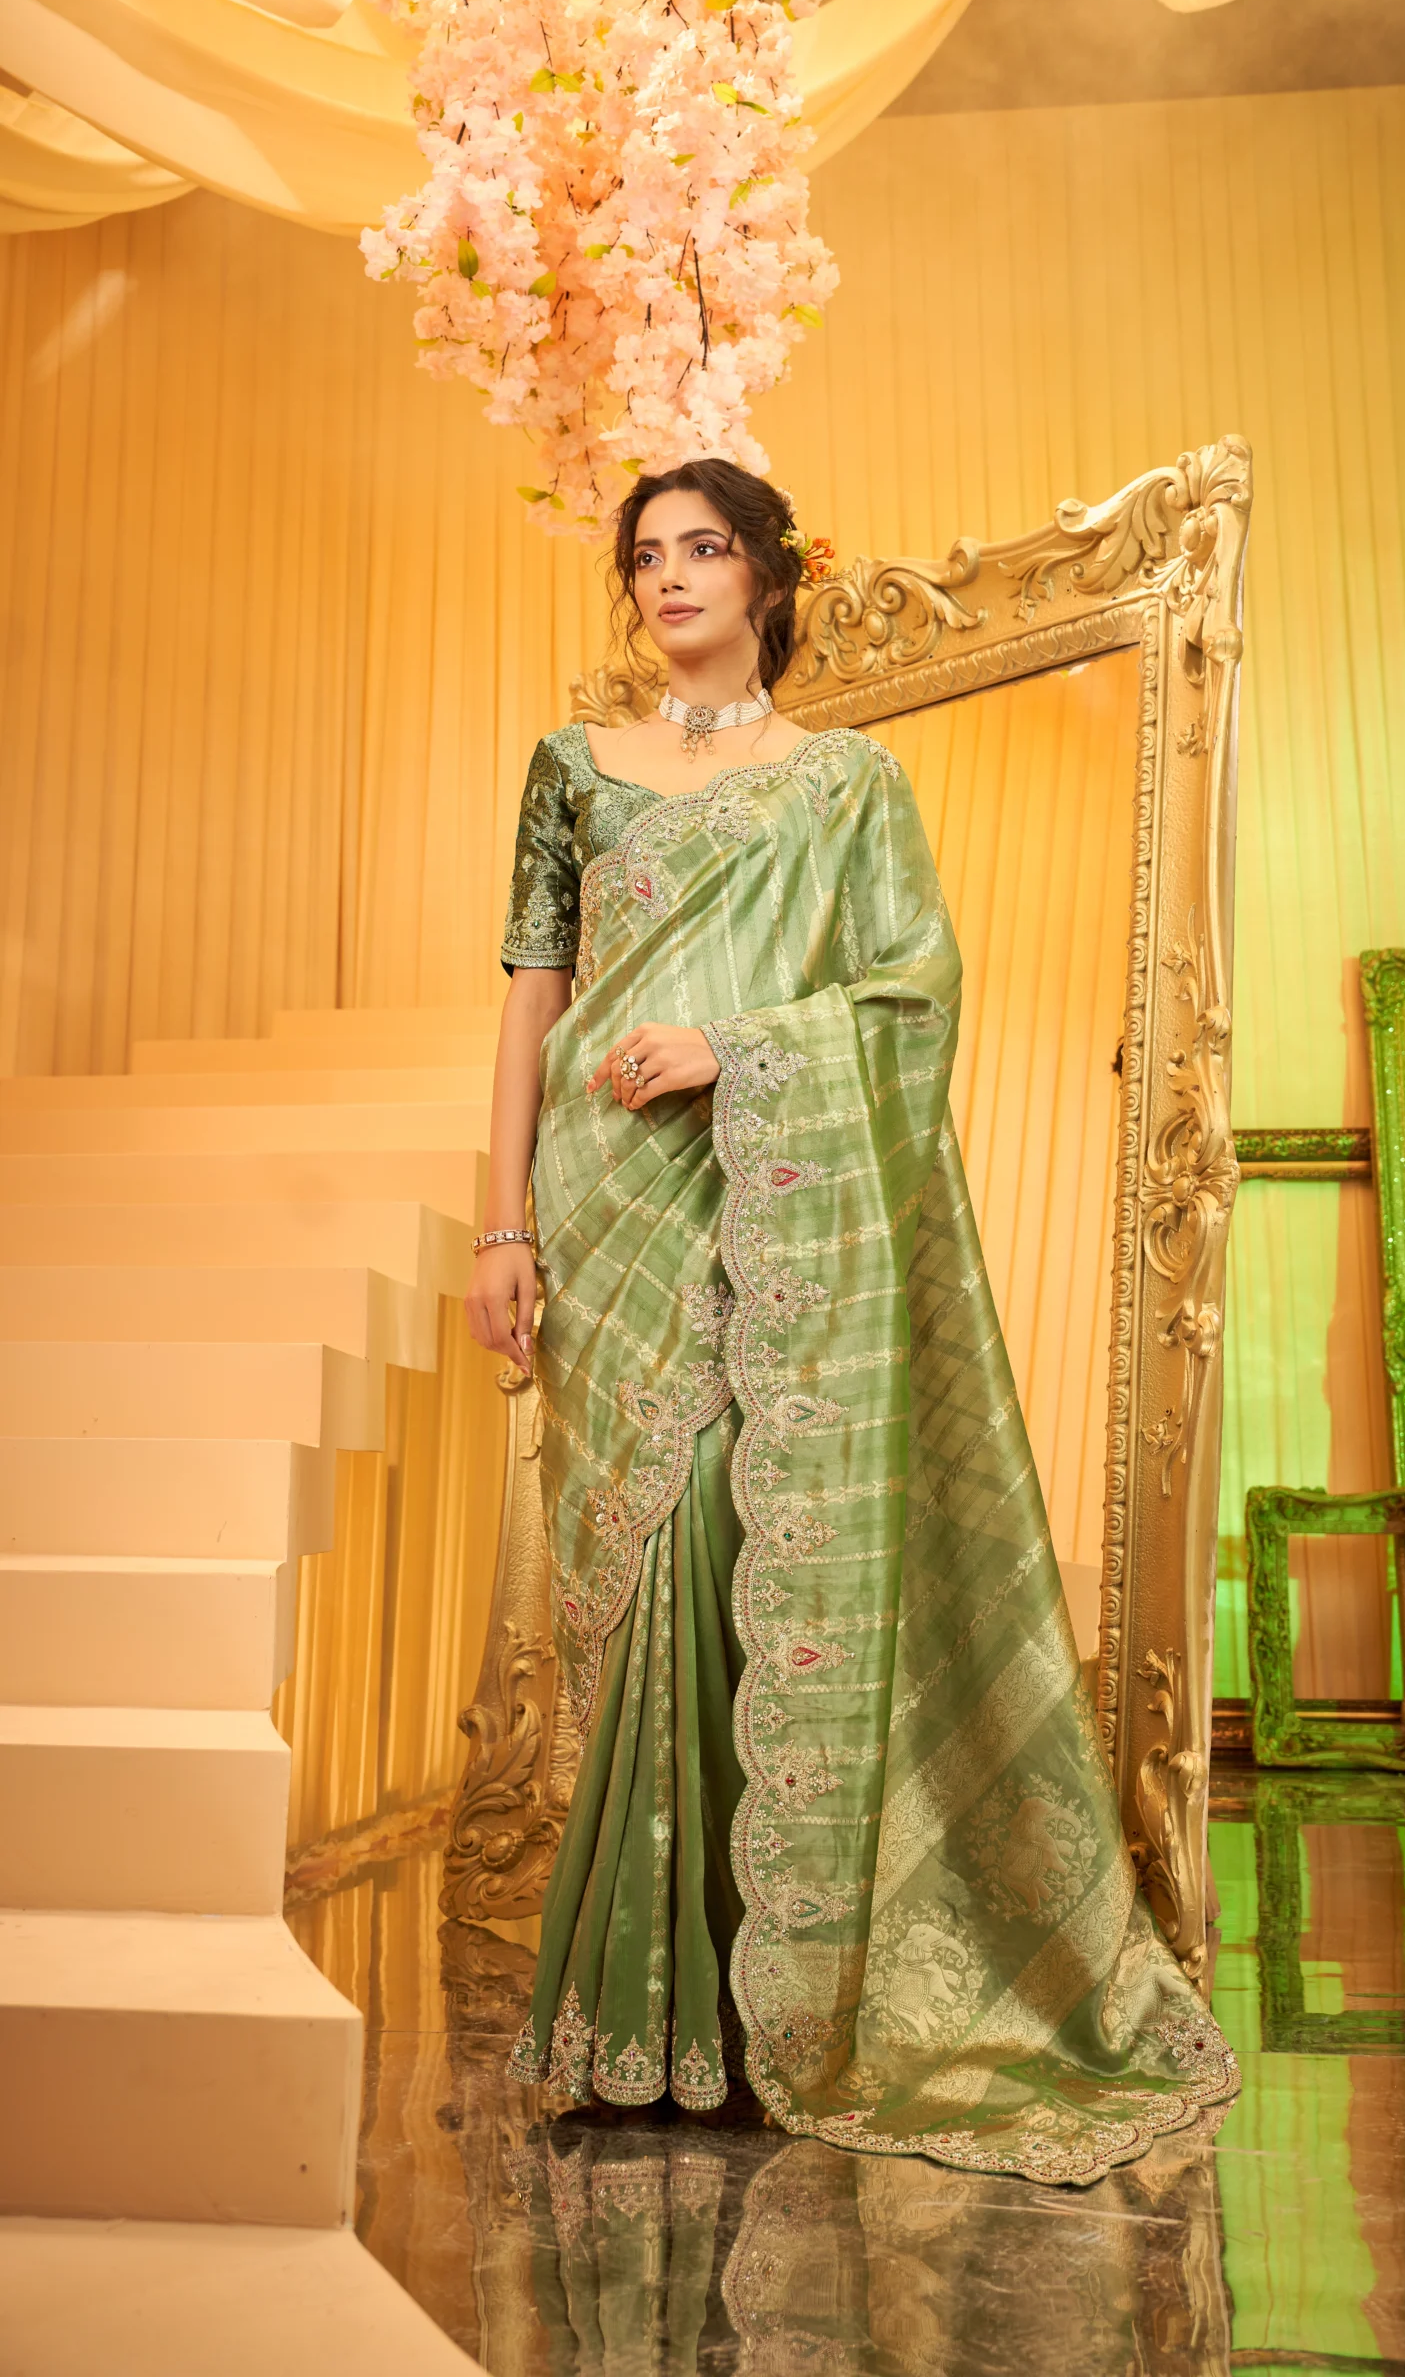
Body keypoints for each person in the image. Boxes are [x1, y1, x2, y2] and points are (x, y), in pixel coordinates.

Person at [466, 457, 1237, 2184]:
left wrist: (733, 1048)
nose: (670, 579)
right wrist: (502, 1218)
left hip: (763, 1203)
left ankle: (767, 2011)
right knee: (635, 1574)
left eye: (703, 549)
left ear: (766, 578)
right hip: (606, 1206)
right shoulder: (570, 773)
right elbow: (531, 998)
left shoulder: (847, 788)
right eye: (646, 556)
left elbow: (909, 990)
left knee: (748, 1548)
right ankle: (633, 2015)